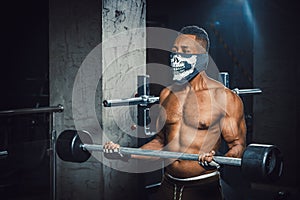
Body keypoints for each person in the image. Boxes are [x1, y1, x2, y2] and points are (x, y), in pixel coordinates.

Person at [103, 25, 247, 200]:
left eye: (185, 52)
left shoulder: (224, 97)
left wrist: (217, 160)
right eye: (174, 52)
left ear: (202, 59)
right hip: (168, 186)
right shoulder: (167, 95)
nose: (176, 58)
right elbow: (159, 142)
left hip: (202, 187)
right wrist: (125, 154)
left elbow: (237, 146)